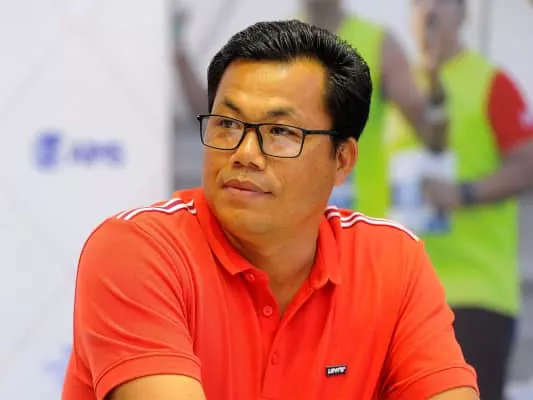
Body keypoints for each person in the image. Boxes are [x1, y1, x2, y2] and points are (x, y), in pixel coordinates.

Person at [62, 20, 479, 400]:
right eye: (227, 124)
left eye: (280, 131)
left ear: (342, 160)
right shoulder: (139, 250)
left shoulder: (391, 261)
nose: (245, 153)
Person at [173, 0, 449, 217]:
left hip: (354, 231)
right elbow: (220, 115)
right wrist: (178, 52)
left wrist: (435, 83)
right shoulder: (275, 44)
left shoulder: (379, 45)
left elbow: (434, 140)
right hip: (287, 233)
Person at [384, 0, 533, 399]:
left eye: (441, 1)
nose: (429, 10)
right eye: (419, 3)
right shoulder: (396, 89)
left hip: (474, 293)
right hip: (399, 298)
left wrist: (464, 193)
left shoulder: (490, 82)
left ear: (464, 13)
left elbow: (528, 162)